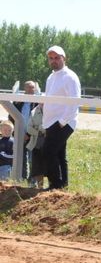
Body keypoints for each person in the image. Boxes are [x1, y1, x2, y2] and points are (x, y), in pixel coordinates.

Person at [42, 45, 80, 190]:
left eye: (57, 58)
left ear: (64, 58)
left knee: (48, 152)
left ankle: (55, 185)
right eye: (51, 58)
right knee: (58, 154)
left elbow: (74, 102)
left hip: (63, 122)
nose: (54, 61)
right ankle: (62, 185)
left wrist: (62, 122)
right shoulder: (51, 77)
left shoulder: (70, 77)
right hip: (51, 122)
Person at [11, 80, 39, 180]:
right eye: (29, 87)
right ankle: (22, 177)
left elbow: (39, 120)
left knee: (33, 159)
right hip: (19, 133)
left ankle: (32, 179)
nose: (31, 89)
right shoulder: (18, 101)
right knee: (20, 157)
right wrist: (16, 132)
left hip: (32, 135)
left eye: (33, 87)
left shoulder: (37, 103)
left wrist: (28, 134)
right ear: (24, 89)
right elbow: (11, 116)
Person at [25, 104, 46, 188]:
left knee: (48, 165)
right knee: (37, 166)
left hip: (48, 144)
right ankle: (40, 187)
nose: (42, 103)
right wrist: (39, 131)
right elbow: (29, 128)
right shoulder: (33, 111)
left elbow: (46, 126)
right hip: (36, 144)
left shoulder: (51, 110)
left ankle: (52, 186)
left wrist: (38, 127)